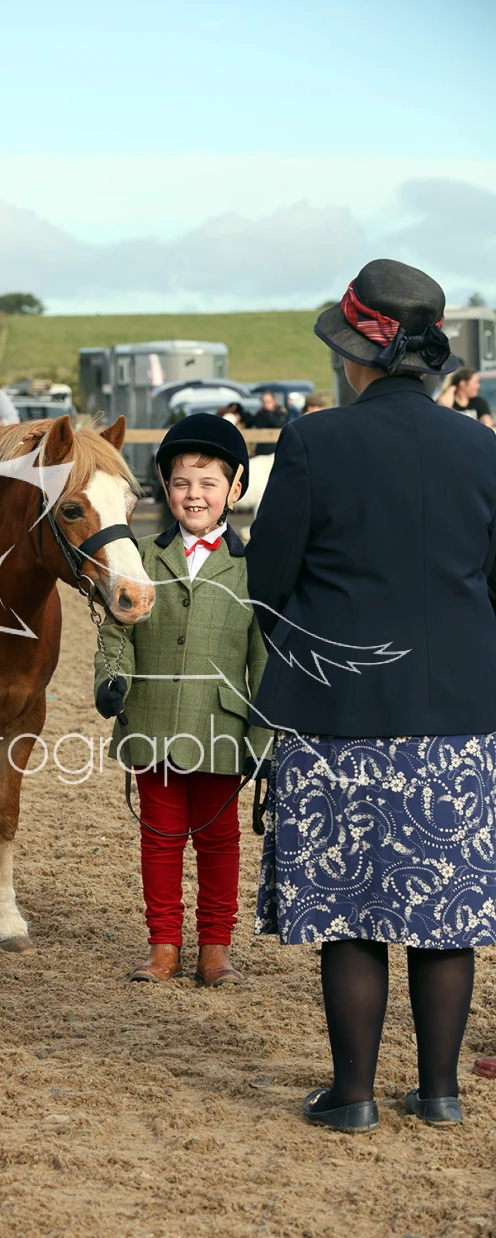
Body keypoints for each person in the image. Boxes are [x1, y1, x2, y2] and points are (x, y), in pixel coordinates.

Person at [247, 258, 496, 1133]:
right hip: (458, 713)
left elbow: (267, 580)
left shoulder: (312, 442)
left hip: (337, 713)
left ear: (356, 356)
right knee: (444, 914)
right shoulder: (483, 447)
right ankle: (439, 1092)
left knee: (350, 916)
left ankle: (351, 1096)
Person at [93, 414, 272, 987]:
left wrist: (264, 737)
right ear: (165, 488)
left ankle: (215, 948)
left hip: (222, 726)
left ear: (234, 490)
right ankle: (163, 944)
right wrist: (112, 680)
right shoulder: (139, 555)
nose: (194, 495)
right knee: (161, 837)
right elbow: (116, 633)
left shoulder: (253, 568)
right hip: (151, 722)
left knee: (219, 841)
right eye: (181, 483)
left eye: (208, 483)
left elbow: (263, 659)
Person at [252, 390, 285, 456]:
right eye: (264, 402)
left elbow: (278, 424)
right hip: (261, 451)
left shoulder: (280, 412)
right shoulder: (260, 414)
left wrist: (269, 412)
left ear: (274, 401)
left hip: (275, 451)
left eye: (268, 402)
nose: (266, 404)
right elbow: (251, 423)